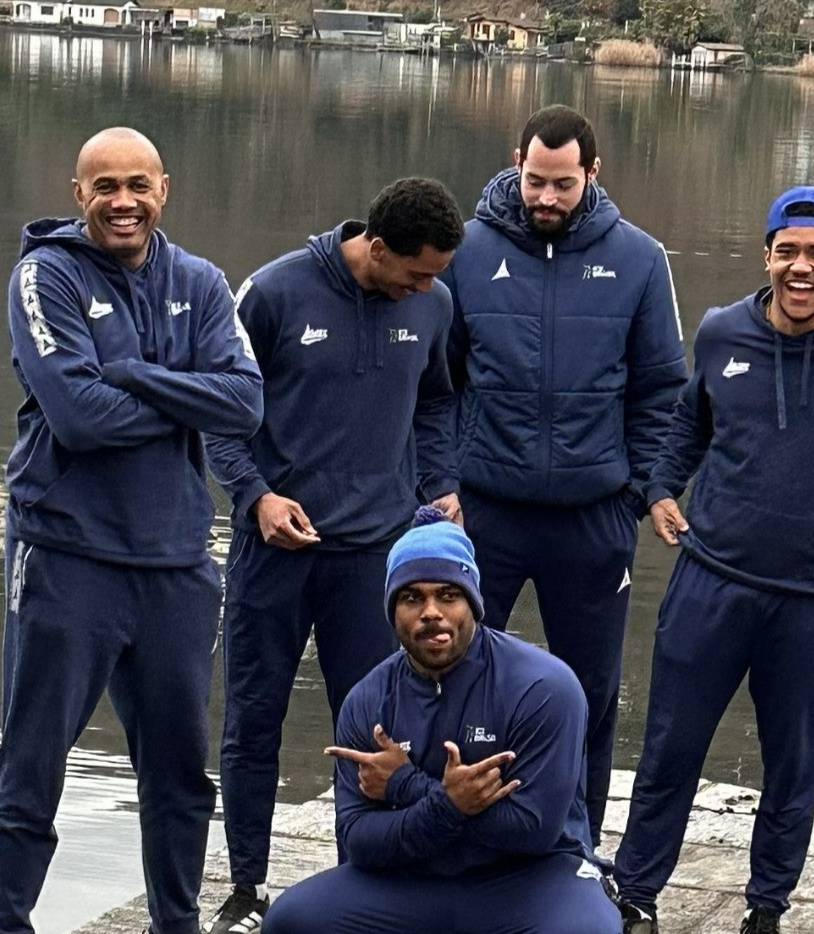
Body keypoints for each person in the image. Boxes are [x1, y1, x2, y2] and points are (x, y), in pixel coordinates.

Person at [610, 187, 814, 934]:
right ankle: (635, 896)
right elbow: (688, 422)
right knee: (669, 750)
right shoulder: (722, 332)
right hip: (710, 582)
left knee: (792, 766)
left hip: (813, 598)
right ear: (766, 256)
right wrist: (661, 487)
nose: (801, 268)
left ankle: (766, 909)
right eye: (787, 252)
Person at [0, 128, 263, 934]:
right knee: (33, 769)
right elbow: (77, 415)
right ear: (79, 195)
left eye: (138, 185)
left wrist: (134, 374)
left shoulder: (200, 281)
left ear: (164, 188)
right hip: (67, 553)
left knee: (180, 774)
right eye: (105, 187)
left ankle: (175, 923)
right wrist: (185, 394)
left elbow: (245, 404)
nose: (123, 201)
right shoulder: (46, 276)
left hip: (176, 561)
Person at [204, 179, 466, 933]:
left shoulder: (434, 305)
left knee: (379, 731)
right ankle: (246, 887)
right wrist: (255, 496)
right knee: (254, 718)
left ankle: (367, 881)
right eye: (416, 273)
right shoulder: (274, 294)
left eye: (437, 275)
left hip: (375, 558)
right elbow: (219, 415)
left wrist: (440, 481)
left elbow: (439, 401)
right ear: (375, 248)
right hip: (275, 552)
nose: (426, 288)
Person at [440, 105, 687, 841]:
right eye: (535, 181)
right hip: (484, 513)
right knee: (458, 676)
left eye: (563, 185)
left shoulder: (640, 259)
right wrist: (442, 483)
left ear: (592, 174)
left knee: (591, 692)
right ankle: (456, 834)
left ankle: (578, 846)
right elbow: (438, 383)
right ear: (516, 162)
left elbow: (661, 390)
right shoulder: (467, 251)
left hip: (592, 516)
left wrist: (634, 492)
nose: (546, 198)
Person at [261, 507, 621, 934]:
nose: (431, 611)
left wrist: (406, 785)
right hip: (412, 880)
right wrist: (451, 804)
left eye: (448, 595)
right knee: (290, 921)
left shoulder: (544, 686)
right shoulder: (367, 700)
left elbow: (531, 830)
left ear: (474, 604)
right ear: (392, 611)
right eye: (412, 598)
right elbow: (358, 839)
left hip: (529, 879)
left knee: (589, 930)